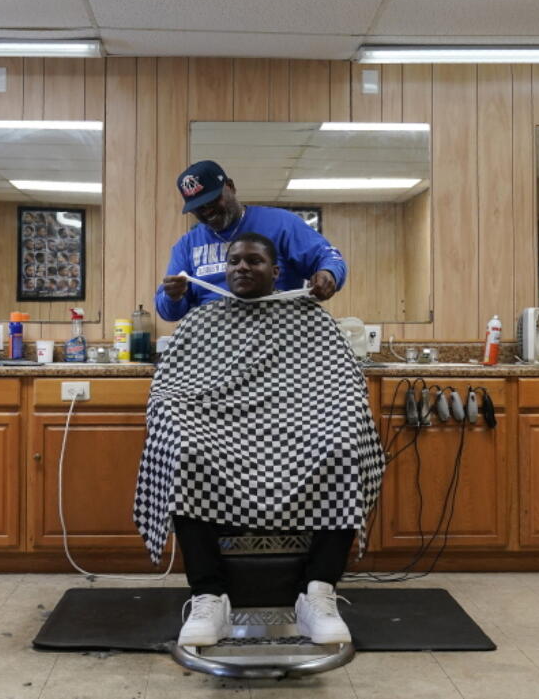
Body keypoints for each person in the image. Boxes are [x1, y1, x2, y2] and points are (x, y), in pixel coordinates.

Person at [135, 232, 384, 647]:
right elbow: (169, 389)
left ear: (277, 270)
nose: (242, 268)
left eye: (254, 261)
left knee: (343, 446)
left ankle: (318, 591)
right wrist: (175, 416)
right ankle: (208, 595)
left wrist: (338, 417)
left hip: (298, 428)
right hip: (217, 427)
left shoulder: (309, 317)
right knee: (184, 450)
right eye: (234, 261)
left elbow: (342, 387)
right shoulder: (201, 318)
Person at [155, 160, 347, 321]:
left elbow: (329, 258)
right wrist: (173, 296)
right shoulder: (187, 245)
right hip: (212, 346)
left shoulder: (281, 224)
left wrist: (329, 273)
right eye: (199, 207)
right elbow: (168, 312)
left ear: (230, 187)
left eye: (212, 201)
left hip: (277, 338)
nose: (208, 211)